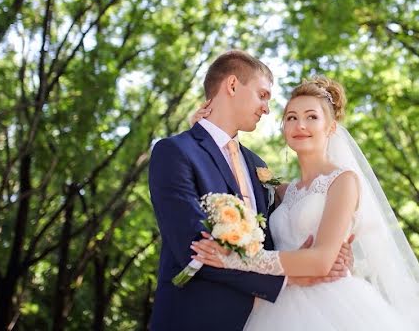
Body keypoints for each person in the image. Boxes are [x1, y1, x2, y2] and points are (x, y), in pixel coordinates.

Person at [191, 76, 419, 331]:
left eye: (312, 117)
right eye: (291, 117)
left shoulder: (344, 181)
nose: (300, 124)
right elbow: (229, 165)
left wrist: (236, 260)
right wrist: (203, 130)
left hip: (334, 305)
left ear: (331, 127)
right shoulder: (280, 189)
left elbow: (322, 260)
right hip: (275, 306)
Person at [147, 51, 352, 331]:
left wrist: (332, 253)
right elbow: (195, 250)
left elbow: (274, 237)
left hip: (265, 320)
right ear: (232, 86)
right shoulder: (175, 152)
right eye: (263, 95)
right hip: (194, 319)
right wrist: (288, 279)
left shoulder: (258, 166)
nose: (267, 109)